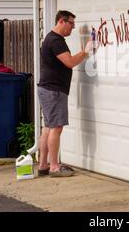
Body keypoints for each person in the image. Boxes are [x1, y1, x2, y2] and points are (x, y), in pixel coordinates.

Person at [37, 10, 93, 177]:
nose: (73, 28)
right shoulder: (55, 41)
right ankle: (54, 167)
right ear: (62, 21)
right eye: (71, 24)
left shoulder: (52, 38)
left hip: (48, 89)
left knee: (48, 127)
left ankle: (43, 165)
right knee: (56, 127)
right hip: (53, 91)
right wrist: (85, 51)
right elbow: (69, 62)